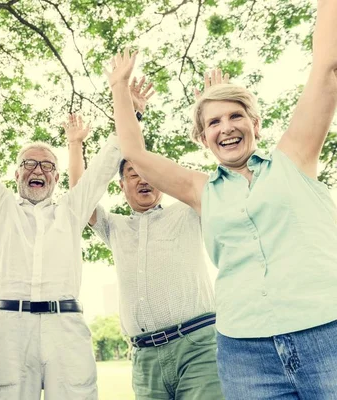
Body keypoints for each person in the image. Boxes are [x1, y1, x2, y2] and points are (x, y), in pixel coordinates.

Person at [105, 0, 337, 396]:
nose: (226, 128)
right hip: (244, 351)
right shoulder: (200, 190)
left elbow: (327, 70)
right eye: (213, 122)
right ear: (203, 136)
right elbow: (136, 152)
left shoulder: (293, 158)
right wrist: (118, 89)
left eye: (235, 116)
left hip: (324, 332)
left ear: (255, 124)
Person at [66, 76, 222, 400]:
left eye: (147, 173)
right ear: (121, 187)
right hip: (144, 358)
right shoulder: (115, 228)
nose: (141, 179)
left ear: (162, 180)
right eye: (131, 175)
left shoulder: (188, 210)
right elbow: (80, 197)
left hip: (198, 347)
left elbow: (221, 179)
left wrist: (213, 105)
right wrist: (75, 145)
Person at [0, 105, 121, 398]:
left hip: (66, 329)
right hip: (9, 328)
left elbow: (104, 167)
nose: (38, 170)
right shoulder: (1, 206)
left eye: (47, 166)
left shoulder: (71, 210)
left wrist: (130, 111)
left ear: (57, 178)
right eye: (30, 163)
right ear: (17, 173)